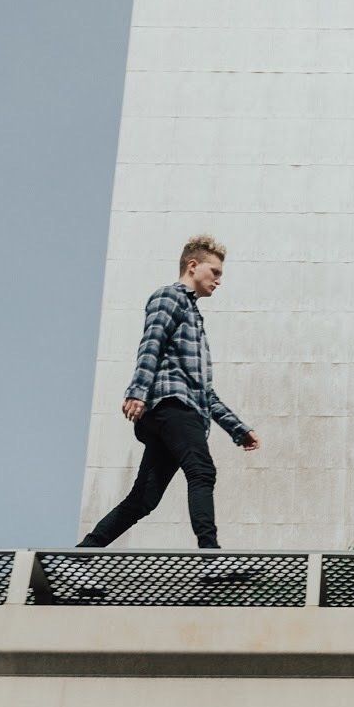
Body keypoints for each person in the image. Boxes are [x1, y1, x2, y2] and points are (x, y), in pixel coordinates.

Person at [72, 234, 260, 588]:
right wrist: (137, 391)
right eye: (215, 272)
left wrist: (237, 429)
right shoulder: (169, 297)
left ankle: (79, 558)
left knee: (143, 500)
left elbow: (203, 391)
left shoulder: (194, 316)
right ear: (193, 266)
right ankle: (211, 559)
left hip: (182, 408)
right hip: (170, 406)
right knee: (201, 471)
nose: (219, 281)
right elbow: (151, 344)